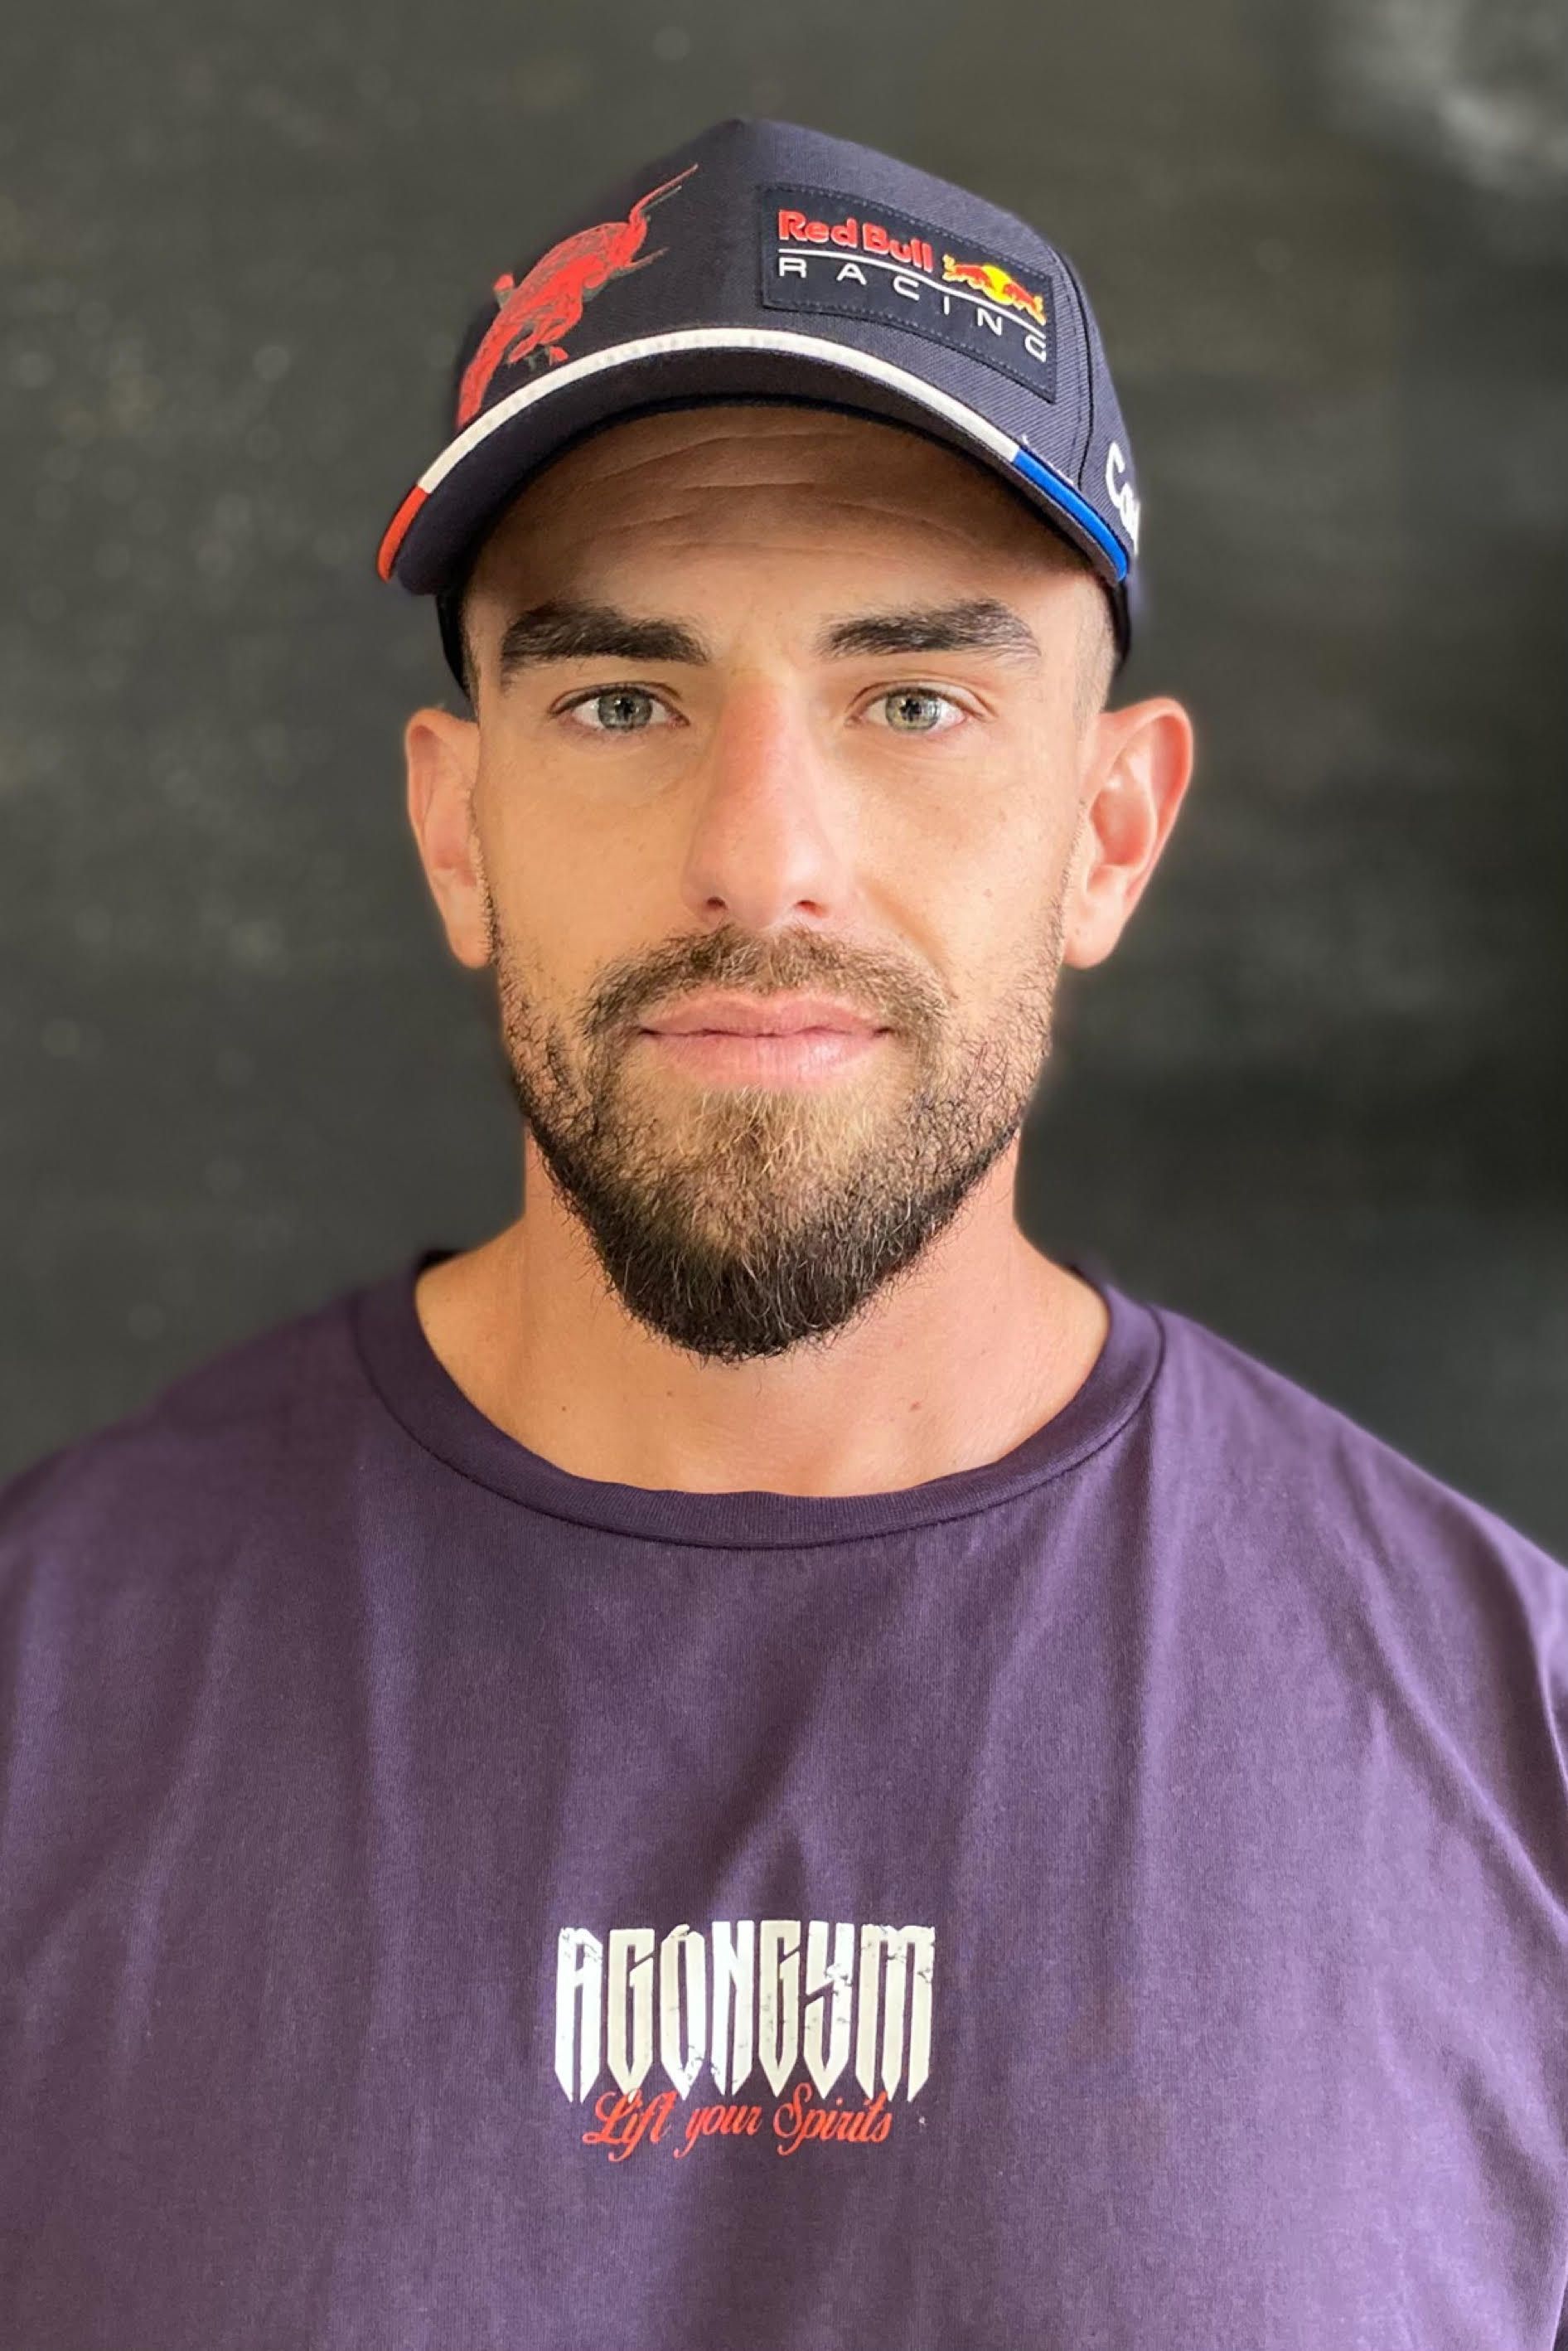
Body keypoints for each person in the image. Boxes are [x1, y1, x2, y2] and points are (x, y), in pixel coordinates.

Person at [2, 115, 1565, 2351]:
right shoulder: (39, 1699)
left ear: (1109, 830)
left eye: (912, 698)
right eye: (623, 699)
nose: (762, 857)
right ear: (459, 829)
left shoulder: (1514, 1749)